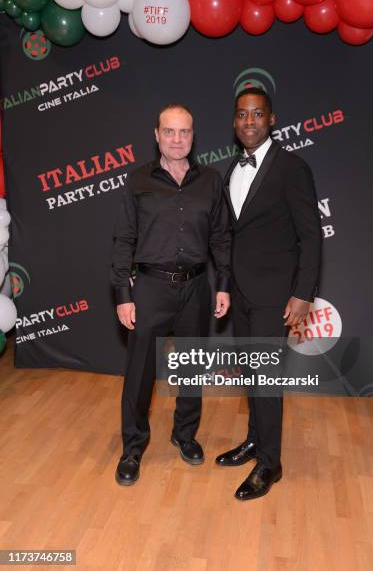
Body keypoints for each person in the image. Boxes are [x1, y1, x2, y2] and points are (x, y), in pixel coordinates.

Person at [111, 103, 231, 486]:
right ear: (156, 134)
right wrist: (123, 293)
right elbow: (123, 239)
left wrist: (224, 284)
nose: (177, 139)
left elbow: (220, 238)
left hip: (197, 287)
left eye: (185, 132)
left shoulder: (211, 181)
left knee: (192, 365)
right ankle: (133, 448)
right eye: (169, 131)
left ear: (194, 136)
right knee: (140, 373)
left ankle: (185, 435)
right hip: (149, 288)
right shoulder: (137, 181)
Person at [216, 87, 322, 501]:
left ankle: (270, 463)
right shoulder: (230, 168)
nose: (249, 121)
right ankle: (254, 441)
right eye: (242, 114)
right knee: (251, 374)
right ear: (234, 121)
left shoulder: (292, 168)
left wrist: (303, 294)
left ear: (272, 119)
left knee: (265, 378)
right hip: (241, 292)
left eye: (257, 114)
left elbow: (310, 236)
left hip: (274, 294)